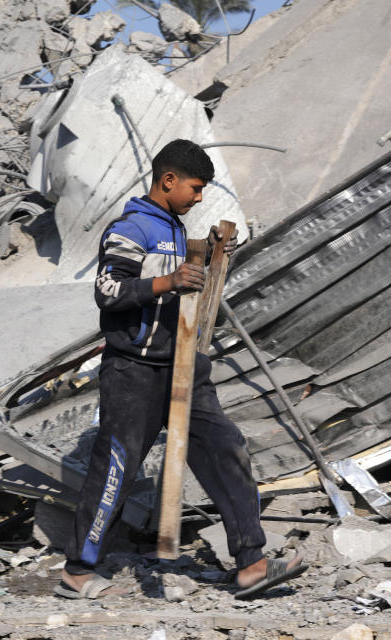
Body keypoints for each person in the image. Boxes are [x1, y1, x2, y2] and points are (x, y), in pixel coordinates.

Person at [57, 139, 305, 601]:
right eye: (194, 187)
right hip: (134, 371)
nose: (198, 197)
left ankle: (251, 563)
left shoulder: (173, 229)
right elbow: (109, 290)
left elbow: (189, 287)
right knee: (117, 466)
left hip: (186, 365)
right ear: (168, 180)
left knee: (225, 448)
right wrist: (168, 281)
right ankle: (77, 570)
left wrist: (212, 255)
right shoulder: (131, 228)